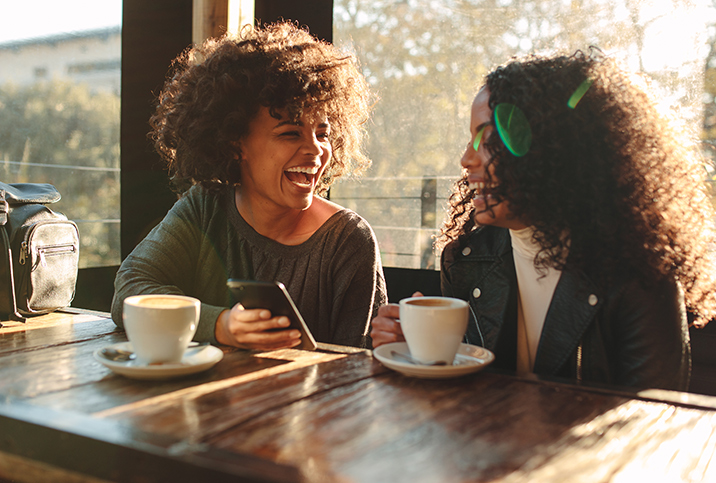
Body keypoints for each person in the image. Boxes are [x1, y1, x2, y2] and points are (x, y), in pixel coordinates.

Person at [371, 49, 716, 391]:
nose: (466, 159)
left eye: (489, 139)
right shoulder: (465, 260)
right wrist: (415, 350)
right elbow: (461, 394)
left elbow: (652, 424)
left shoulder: (639, 276)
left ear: (555, 150)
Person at [112, 22, 387, 350]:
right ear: (234, 142)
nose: (316, 150)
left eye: (323, 133)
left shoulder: (348, 240)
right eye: (290, 132)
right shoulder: (205, 207)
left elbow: (359, 369)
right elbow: (130, 290)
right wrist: (220, 325)